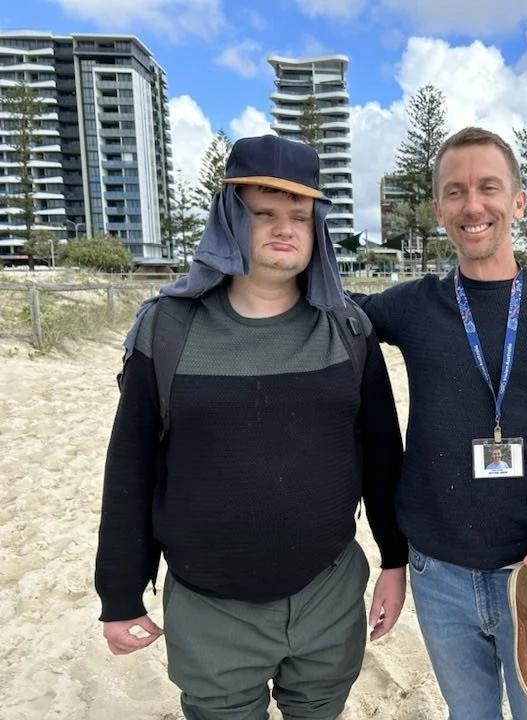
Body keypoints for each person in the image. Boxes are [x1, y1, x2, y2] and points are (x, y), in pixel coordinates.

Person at [94, 134, 407, 720]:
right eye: (264, 213)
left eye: (299, 216)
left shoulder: (350, 331)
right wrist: (119, 594)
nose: (283, 228)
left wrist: (394, 561)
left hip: (329, 592)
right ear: (230, 218)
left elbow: (381, 458)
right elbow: (130, 468)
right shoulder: (166, 331)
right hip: (210, 607)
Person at [352, 126, 527, 720]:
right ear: (440, 209)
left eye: (489, 188)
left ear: (519, 202)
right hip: (436, 570)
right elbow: (326, 311)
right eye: (455, 191)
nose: (473, 205)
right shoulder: (411, 305)